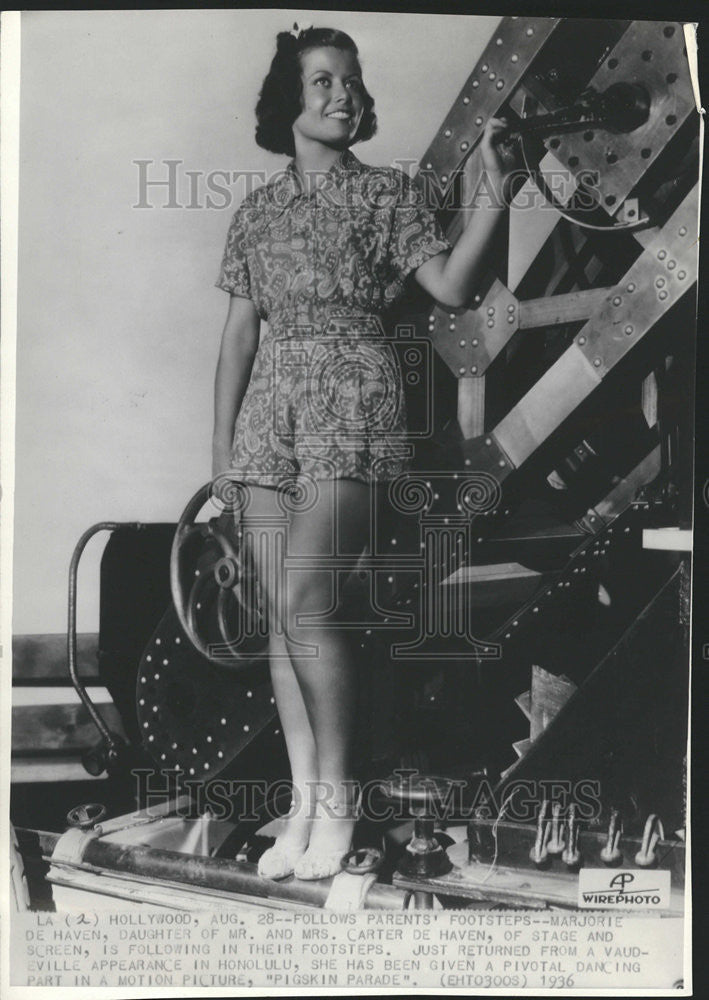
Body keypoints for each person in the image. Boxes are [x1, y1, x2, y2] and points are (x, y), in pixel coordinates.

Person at [212, 25, 508, 880]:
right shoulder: (256, 211)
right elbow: (237, 335)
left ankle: (338, 802)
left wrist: (495, 191)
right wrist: (224, 445)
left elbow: (451, 287)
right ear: (288, 103)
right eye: (322, 83)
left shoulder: (388, 194)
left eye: (351, 82)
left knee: (308, 600)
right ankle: (302, 806)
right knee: (279, 612)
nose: (343, 95)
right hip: (270, 408)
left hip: (354, 391)